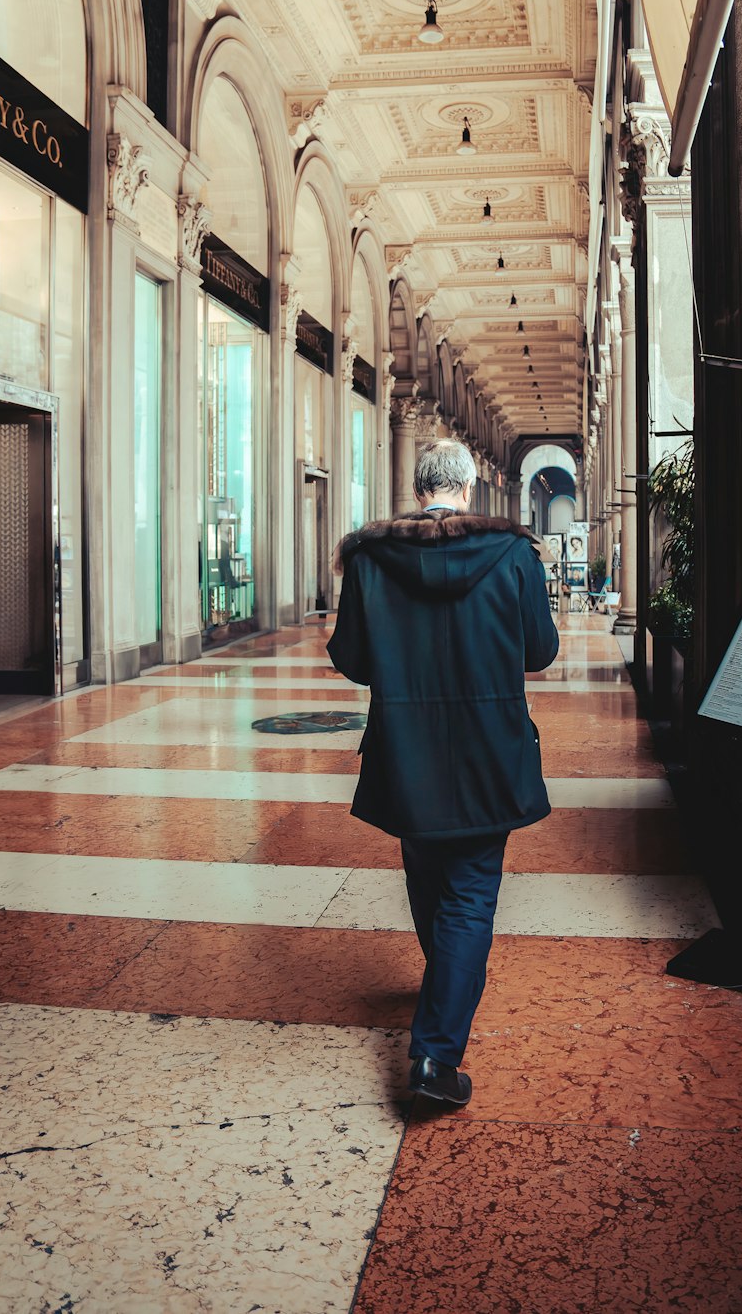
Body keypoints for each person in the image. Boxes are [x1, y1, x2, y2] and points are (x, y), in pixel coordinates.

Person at [327, 438, 559, 1106]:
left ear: (418, 484)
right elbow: (539, 652)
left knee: (428, 874)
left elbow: (353, 657)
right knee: (471, 892)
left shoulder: (371, 558)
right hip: (491, 748)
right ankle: (434, 1058)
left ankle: (444, 991)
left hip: (407, 746)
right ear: (468, 488)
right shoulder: (513, 554)